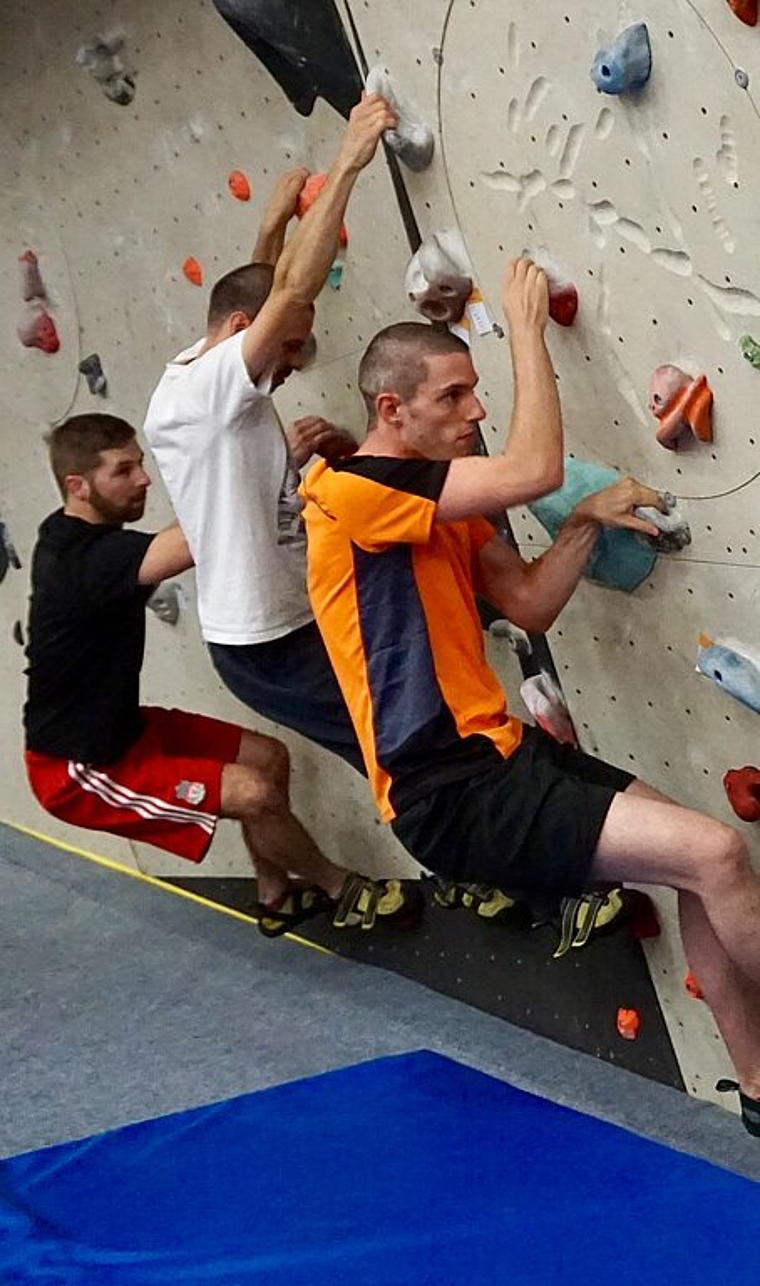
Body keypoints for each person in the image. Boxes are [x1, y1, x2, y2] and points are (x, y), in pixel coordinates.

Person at [300, 258, 760, 1137]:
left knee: (699, 870)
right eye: (455, 396)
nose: (475, 412)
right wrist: (523, 331)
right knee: (716, 855)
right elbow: (537, 467)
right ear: (391, 411)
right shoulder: (359, 490)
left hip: (503, 753)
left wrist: (585, 525)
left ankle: (757, 1089)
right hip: (451, 788)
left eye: (475, 393)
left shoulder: (438, 505)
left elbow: (528, 603)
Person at [22, 414, 421, 936]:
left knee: (268, 759)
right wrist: (271, 463)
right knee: (253, 796)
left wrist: (270, 468)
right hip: (79, 767)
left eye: (140, 464)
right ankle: (340, 888)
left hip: (125, 729)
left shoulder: (73, 535)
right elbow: (202, 540)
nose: (143, 479)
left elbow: (187, 531)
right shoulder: (85, 562)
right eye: (124, 471)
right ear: (78, 486)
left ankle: (275, 896)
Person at [143, 93, 395, 775]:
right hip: (268, 643)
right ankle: (469, 875)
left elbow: (259, 293)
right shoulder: (203, 392)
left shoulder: (201, 376)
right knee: (399, 749)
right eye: (289, 352)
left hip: (284, 621)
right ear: (241, 337)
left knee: (403, 737)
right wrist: (347, 163)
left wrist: (271, 227)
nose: (287, 368)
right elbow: (286, 297)